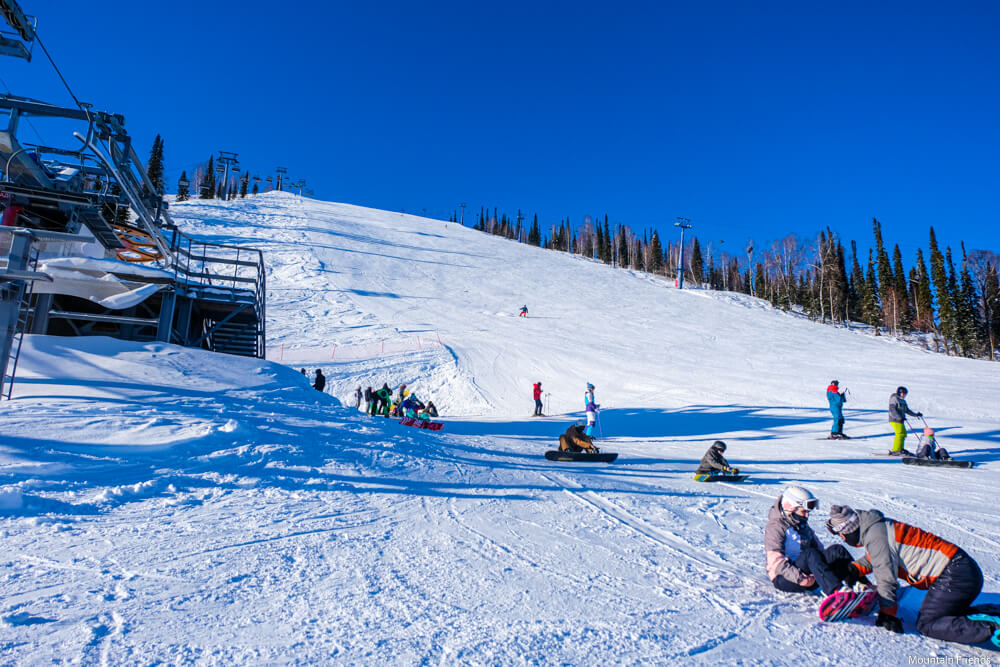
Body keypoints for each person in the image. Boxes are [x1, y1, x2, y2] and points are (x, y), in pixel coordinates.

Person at [826, 505, 1000, 647]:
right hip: (964, 570)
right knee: (948, 615)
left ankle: (993, 629)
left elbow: (885, 576)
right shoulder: (877, 527)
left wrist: (888, 613)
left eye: (841, 535)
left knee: (928, 624)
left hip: (955, 575)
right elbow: (880, 556)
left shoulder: (875, 536)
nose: (842, 539)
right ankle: (993, 615)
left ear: (849, 531)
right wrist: (855, 569)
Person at [764, 486, 857, 597]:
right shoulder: (775, 527)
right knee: (810, 553)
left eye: (808, 512)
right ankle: (836, 592)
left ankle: (860, 585)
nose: (807, 515)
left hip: (808, 573)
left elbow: (820, 551)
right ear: (790, 509)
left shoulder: (801, 524)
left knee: (837, 550)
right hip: (786, 578)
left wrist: (825, 569)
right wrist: (801, 578)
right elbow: (776, 563)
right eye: (804, 511)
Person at [888, 386, 921, 455]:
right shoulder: (894, 399)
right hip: (894, 419)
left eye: (905, 394)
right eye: (902, 393)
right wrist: (898, 417)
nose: (904, 395)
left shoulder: (903, 401)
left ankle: (900, 448)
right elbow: (892, 410)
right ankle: (896, 450)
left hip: (900, 420)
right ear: (899, 393)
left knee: (903, 434)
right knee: (900, 434)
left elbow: (907, 410)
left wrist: (916, 415)